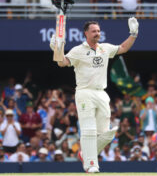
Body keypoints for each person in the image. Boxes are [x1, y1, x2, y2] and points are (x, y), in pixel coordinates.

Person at [49, 17, 139, 173]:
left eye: (98, 30)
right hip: (85, 92)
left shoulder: (105, 48)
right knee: (89, 130)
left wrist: (133, 34)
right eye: (94, 31)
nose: (97, 33)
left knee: (106, 135)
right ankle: (91, 165)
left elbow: (123, 48)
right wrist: (57, 49)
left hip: (102, 93)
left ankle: (85, 154)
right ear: (86, 33)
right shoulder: (78, 50)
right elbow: (62, 62)